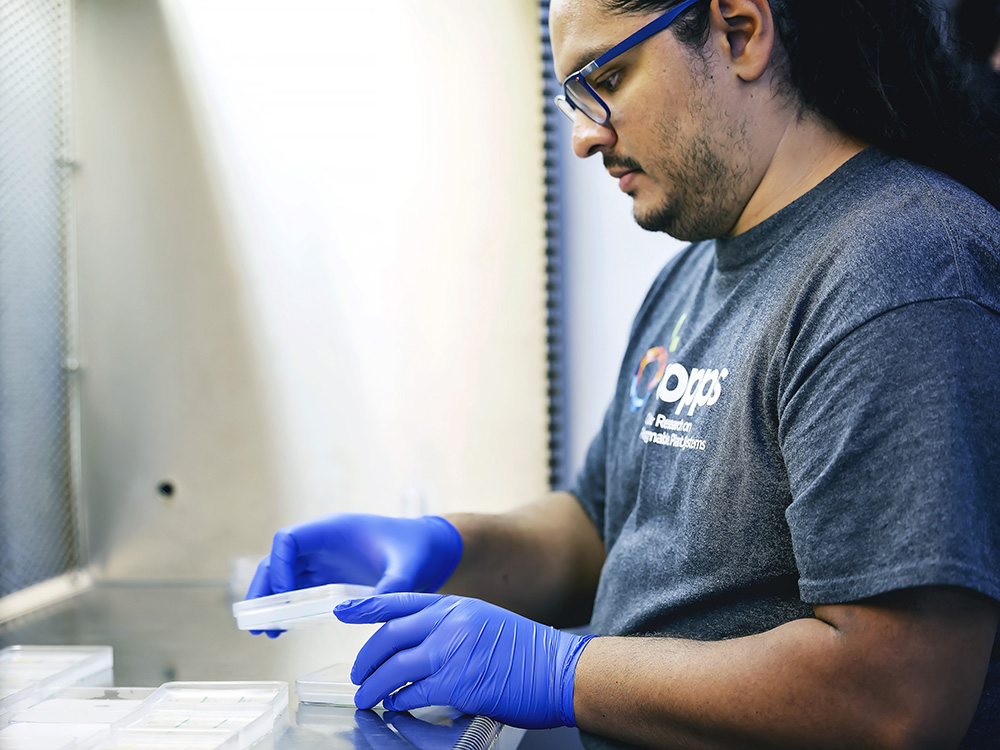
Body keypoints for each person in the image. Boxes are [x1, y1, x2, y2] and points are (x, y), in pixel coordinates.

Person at [246, 1, 1000, 747]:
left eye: (606, 74)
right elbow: (599, 527)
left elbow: (894, 698)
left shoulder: (900, 273)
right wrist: (447, 549)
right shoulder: (698, 272)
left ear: (739, 32)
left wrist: (561, 672)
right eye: (573, 95)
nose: (584, 136)